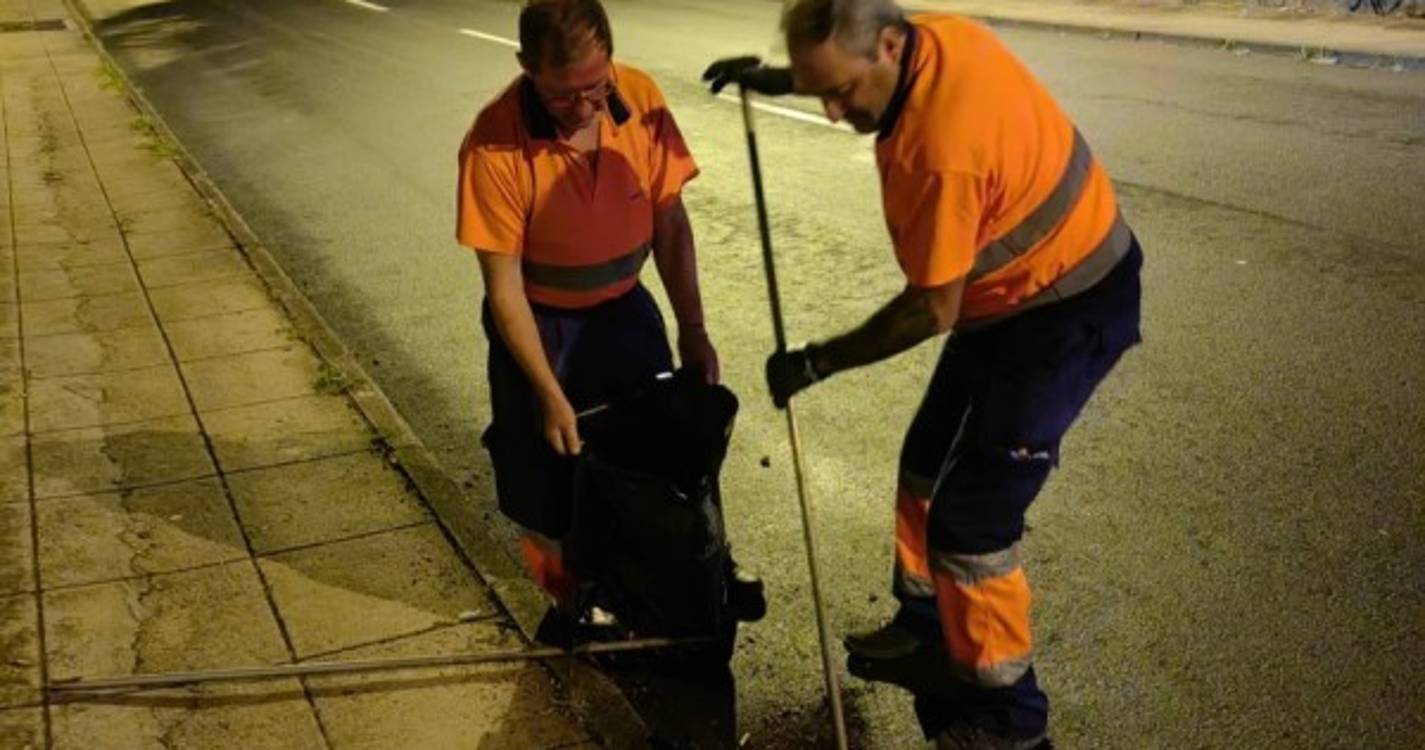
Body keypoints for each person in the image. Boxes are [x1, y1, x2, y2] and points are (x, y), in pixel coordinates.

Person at [704, 1, 1143, 747]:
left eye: (841, 91)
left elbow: (928, 309)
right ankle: (924, 627)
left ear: (888, 45)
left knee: (971, 529)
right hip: (1007, 294)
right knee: (924, 466)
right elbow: (954, 297)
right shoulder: (932, 37)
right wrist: (781, 79)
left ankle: (1007, 720)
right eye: (822, 92)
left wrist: (817, 361)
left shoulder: (939, 149)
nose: (836, 113)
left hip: (1065, 310)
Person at [456, 0, 760, 625]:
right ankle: (570, 601)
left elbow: (671, 224)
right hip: (541, 329)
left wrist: (694, 330)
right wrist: (546, 391)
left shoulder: (640, 97)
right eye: (565, 96)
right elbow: (503, 287)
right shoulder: (494, 142)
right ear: (526, 69)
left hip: (624, 317)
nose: (588, 107)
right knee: (543, 470)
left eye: (598, 85)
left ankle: (664, 579)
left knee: (655, 454)